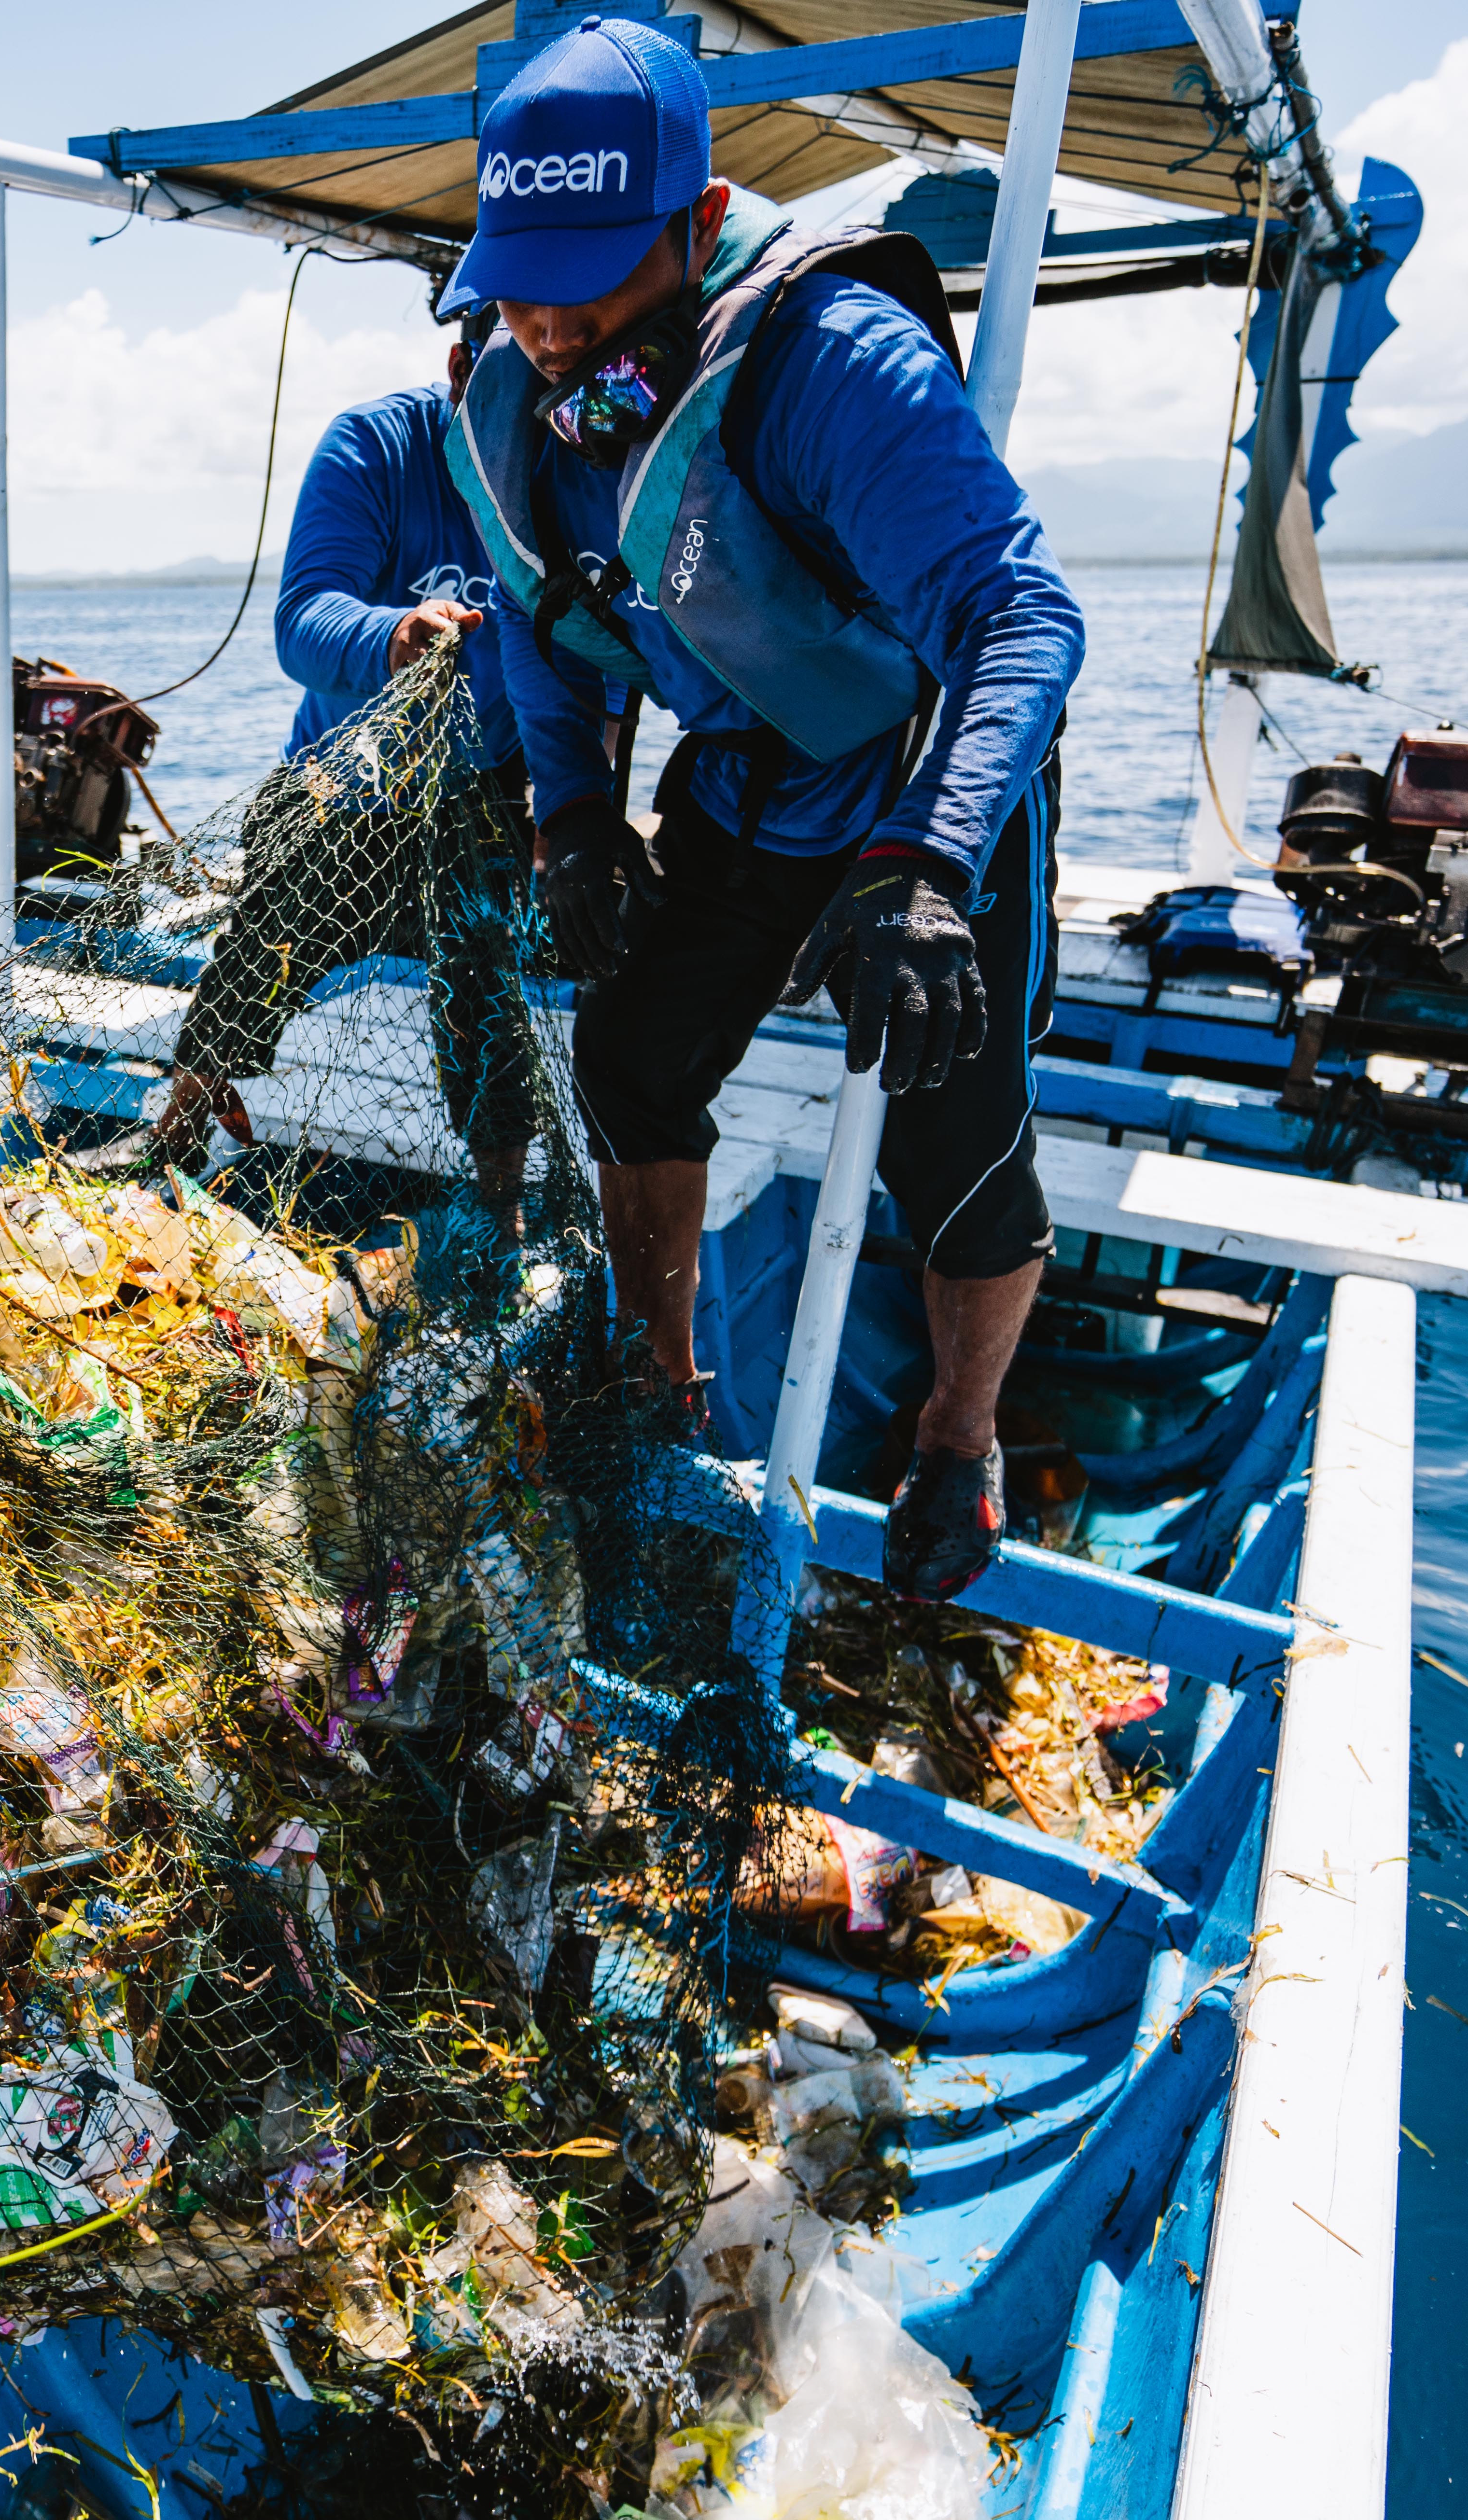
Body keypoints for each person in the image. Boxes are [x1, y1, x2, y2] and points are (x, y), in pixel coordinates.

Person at [442, 16, 1083, 1601]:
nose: (543, 321)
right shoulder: (513, 395)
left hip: (918, 778)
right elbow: (539, 621)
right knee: (630, 1053)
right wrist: (577, 816)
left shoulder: (826, 365)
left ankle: (954, 1435)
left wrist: (927, 869)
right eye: (516, 277)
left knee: (953, 1138)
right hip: (745, 776)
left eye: (583, 275)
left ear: (696, 218)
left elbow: (1020, 619)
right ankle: (662, 1388)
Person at [129, 317, 543, 1236]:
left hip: (484, 791)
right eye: (509, 385)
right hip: (343, 784)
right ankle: (184, 1122)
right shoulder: (375, 446)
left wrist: (569, 807)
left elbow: (588, 664)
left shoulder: (573, 458)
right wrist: (392, 635)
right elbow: (302, 619)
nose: (530, 411)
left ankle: (501, 1205)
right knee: (275, 921)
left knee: (485, 969)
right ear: (458, 366)